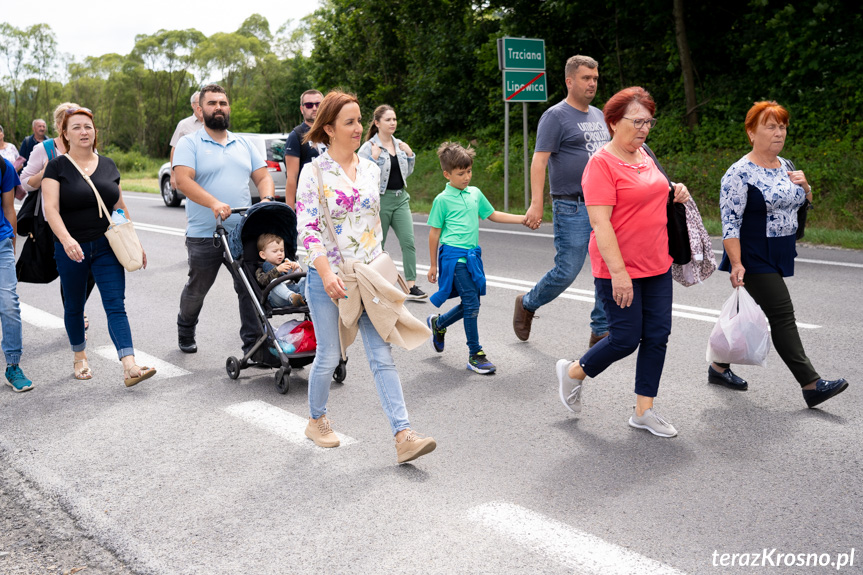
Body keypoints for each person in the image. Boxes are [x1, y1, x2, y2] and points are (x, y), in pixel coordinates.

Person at [296, 90, 436, 464]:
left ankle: (404, 435)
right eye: (350, 122)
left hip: (369, 277)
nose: (360, 128)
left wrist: (382, 267)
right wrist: (325, 273)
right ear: (328, 128)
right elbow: (307, 229)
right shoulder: (314, 173)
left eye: (360, 120)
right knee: (328, 356)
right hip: (330, 277)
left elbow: (373, 225)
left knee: (381, 353)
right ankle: (316, 420)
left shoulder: (373, 168)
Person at [555, 87, 691, 438]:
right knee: (625, 338)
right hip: (619, 269)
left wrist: (676, 189)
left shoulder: (646, 154)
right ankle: (573, 372)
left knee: (658, 336)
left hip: (657, 263)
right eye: (637, 121)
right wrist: (619, 273)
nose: (645, 128)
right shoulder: (600, 165)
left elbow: (655, 190)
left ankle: (643, 411)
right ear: (613, 123)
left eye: (649, 121)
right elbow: (600, 223)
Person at [711, 100, 848, 408]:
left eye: (782, 127)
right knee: (782, 315)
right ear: (751, 133)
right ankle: (811, 384)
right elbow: (730, 224)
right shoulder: (738, 173)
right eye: (770, 127)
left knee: (745, 311)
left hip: (781, 249)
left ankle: (718, 367)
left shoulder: (786, 165)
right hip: (754, 253)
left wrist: (807, 186)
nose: (778, 133)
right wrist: (736, 264)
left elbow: (801, 204)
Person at [41, 107, 156, 387]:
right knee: (74, 305)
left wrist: (135, 242)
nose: (84, 132)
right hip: (72, 249)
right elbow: (50, 209)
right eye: (77, 127)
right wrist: (67, 240)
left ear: (95, 132)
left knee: (116, 303)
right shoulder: (57, 166)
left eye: (88, 127)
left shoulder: (108, 165)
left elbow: (119, 207)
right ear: (65, 134)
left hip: (107, 246)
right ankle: (80, 356)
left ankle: (129, 365)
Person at [173, 84, 276, 356]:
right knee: (198, 289)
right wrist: (214, 203)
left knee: (251, 288)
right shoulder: (190, 142)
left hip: (241, 232)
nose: (218, 107)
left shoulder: (243, 143)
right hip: (205, 232)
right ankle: (186, 327)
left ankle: (255, 347)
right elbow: (182, 180)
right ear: (200, 109)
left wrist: (265, 201)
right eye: (212, 103)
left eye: (223, 102)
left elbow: (263, 177)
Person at [515, 55, 609, 347]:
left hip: (603, 206)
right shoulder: (555, 116)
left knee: (607, 267)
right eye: (586, 78)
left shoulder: (599, 114)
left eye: (595, 78)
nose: (592, 83)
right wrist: (536, 203)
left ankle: (600, 330)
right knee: (567, 270)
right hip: (571, 205)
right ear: (570, 81)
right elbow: (539, 161)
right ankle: (528, 303)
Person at [426, 142, 526, 375]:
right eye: (460, 174)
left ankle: (438, 324)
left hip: (472, 256)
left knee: (473, 303)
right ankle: (475, 354)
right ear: (447, 174)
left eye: (469, 171)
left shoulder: (475, 194)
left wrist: (523, 219)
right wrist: (432, 264)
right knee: (471, 303)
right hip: (453, 256)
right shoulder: (442, 200)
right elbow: (434, 233)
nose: (466, 177)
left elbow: (493, 215)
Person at [20, 102, 96, 330]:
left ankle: (75, 307)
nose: (79, 127)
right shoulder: (44, 149)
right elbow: (25, 183)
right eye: (69, 119)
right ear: (60, 125)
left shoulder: (88, 147)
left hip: (84, 219)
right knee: (69, 268)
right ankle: (76, 312)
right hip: (53, 220)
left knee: (89, 269)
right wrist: (45, 172)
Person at [358, 105, 427, 301]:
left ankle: (411, 286)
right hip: (381, 201)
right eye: (388, 120)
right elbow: (359, 174)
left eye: (394, 119)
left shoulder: (400, 145)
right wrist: (373, 158)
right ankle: (375, 285)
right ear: (377, 123)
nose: (393, 123)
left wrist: (410, 155)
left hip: (401, 199)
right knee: (378, 245)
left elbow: (406, 172)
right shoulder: (369, 147)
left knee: (409, 242)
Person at [0, 158, 33, 392]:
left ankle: (13, 366)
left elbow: (9, 208)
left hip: (1, 243)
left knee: (9, 304)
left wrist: (11, 243)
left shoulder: (4, 167)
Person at [285, 89, 325, 208]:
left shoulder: (332, 132)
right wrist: (290, 211)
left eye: (318, 104)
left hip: (333, 200)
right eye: (309, 105)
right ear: (302, 109)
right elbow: (291, 178)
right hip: (308, 202)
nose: (314, 108)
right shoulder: (296, 135)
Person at [255, 233, 306, 308]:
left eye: (282, 250)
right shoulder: (261, 269)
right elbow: (262, 281)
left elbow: (298, 279)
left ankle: (301, 298)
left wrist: (297, 269)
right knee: (274, 282)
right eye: (275, 251)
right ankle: (291, 297)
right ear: (263, 255)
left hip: (296, 293)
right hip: (278, 298)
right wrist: (277, 270)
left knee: (307, 277)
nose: (280, 254)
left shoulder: (287, 263)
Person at [168, 91, 203, 192]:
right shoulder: (184, 124)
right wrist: (173, 175)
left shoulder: (211, 124)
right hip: (190, 173)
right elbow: (174, 150)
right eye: (199, 102)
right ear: (193, 105)